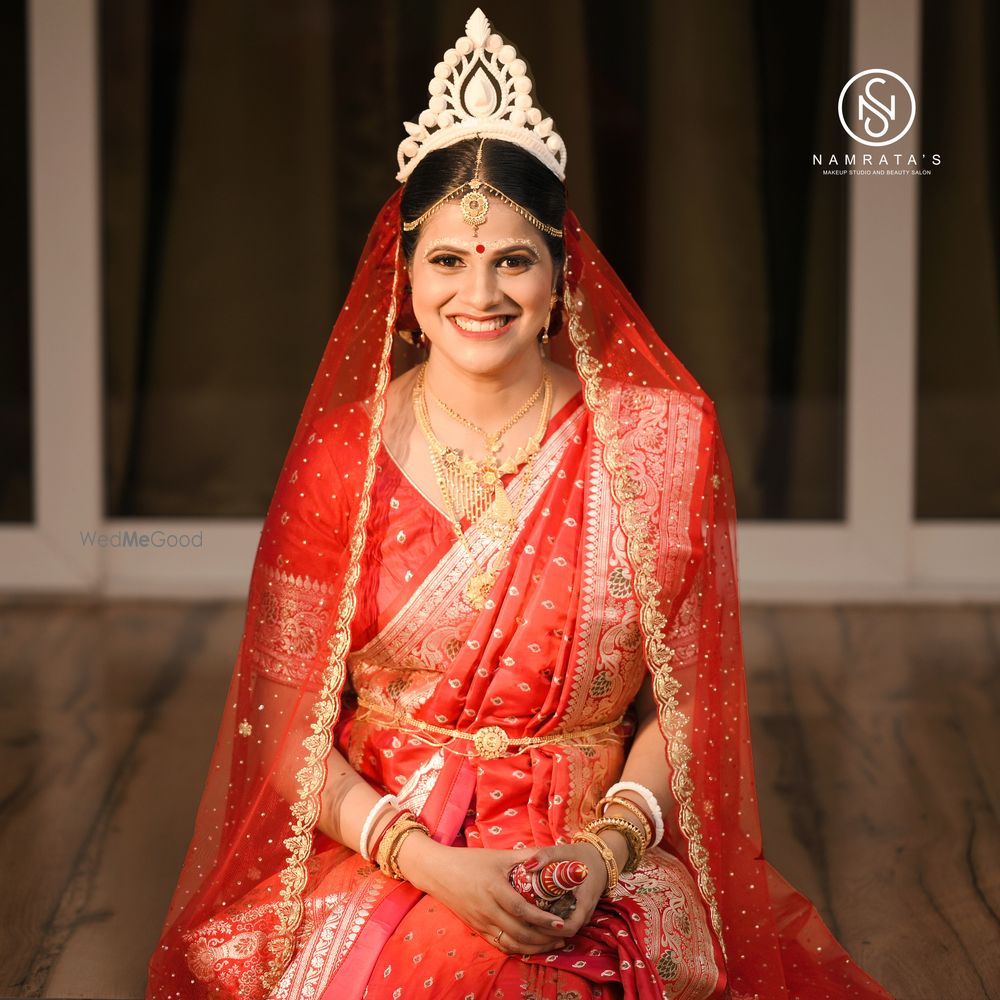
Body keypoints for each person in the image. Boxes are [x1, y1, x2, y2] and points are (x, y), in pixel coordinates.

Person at [147, 9, 896, 999]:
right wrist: (425, 857)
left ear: (559, 274)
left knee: (574, 975)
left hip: (598, 847)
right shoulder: (342, 456)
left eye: (512, 259)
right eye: (448, 261)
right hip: (390, 853)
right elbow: (284, 731)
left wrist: (611, 844)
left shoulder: (659, 441)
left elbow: (685, 700)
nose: (480, 292)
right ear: (405, 281)